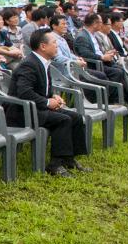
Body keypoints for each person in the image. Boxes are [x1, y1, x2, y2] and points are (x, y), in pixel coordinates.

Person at [8, 29, 90, 176]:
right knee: (62, 120)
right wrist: (47, 102)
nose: (57, 46)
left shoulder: (44, 62)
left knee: (76, 118)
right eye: (54, 42)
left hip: (36, 107)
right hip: (22, 112)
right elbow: (24, 92)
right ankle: (55, 165)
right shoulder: (29, 64)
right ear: (43, 46)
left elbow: (44, 88)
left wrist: (54, 96)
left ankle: (68, 159)